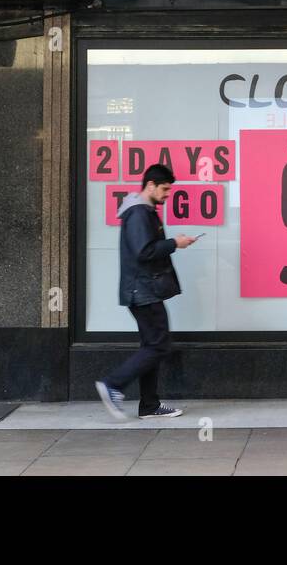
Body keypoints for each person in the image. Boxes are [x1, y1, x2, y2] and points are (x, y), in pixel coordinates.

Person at [95, 163, 195, 420]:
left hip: (142, 289)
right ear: (150, 185)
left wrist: (174, 243)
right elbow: (144, 251)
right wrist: (175, 243)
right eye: (164, 189)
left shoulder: (141, 211)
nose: (167, 195)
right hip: (143, 290)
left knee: (151, 346)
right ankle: (113, 384)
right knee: (159, 346)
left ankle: (149, 405)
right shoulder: (139, 213)